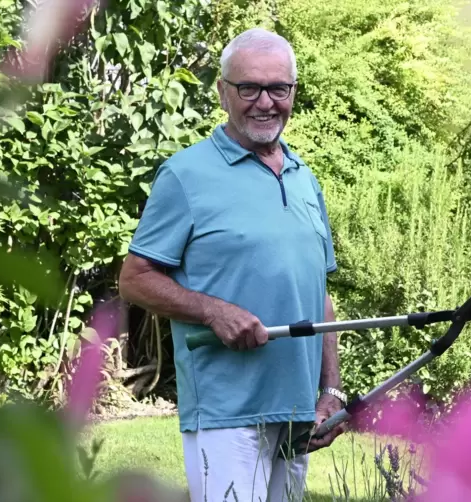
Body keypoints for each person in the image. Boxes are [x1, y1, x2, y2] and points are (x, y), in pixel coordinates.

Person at [118, 27, 346, 502]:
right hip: (226, 413)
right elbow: (134, 280)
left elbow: (318, 293)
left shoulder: (306, 179)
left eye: (277, 88)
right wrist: (213, 311)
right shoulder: (185, 174)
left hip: (297, 411)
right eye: (249, 88)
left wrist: (331, 391)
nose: (265, 102)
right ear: (223, 92)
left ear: (292, 93)